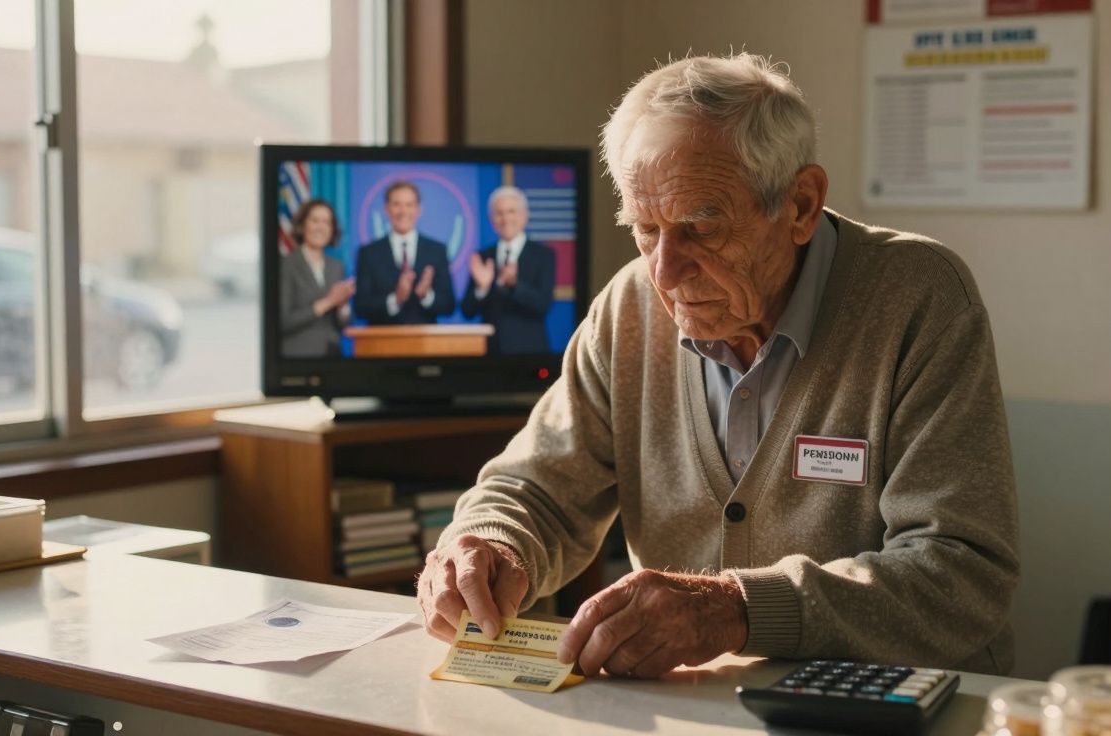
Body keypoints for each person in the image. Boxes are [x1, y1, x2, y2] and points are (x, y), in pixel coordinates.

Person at [417, 53, 1019, 679]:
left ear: (802, 205)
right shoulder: (629, 308)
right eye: (644, 229)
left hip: (894, 702)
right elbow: (538, 490)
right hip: (699, 707)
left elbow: (962, 573)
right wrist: (489, 542)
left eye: (701, 227)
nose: (664, 273)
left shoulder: (919, 297)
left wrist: (737, 609)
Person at [461, 186, 556, 354]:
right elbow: (467, 311)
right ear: (491, 219)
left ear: (524, 216)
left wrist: (514, 285)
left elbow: (543, 305)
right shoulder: (483, 257)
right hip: (490, 354)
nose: (505, 219)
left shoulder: (543, 255)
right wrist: (482, 289)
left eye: (511, 211)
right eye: (499, 213)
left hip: (530, 353)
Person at [354, 181, 455, 325]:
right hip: (381, 342)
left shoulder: (437, 250)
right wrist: (395, 299)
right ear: (386, 209)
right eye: (397, 204)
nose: (403, 211)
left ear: (418, 210)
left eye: (409, 205)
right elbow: (360, 308)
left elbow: (449, 306)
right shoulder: (368, 253)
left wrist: (426, 295)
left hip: (426, 342)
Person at [279, 199, 355, 358]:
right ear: (302, 225)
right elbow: (282, 322)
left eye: (326, 222)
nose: (320, 227)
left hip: (332, 358)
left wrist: (342, 306)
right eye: (315, 221)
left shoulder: (336, 266)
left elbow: (344, 326)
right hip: (298, 358)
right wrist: (328, 302)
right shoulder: (286, 265)